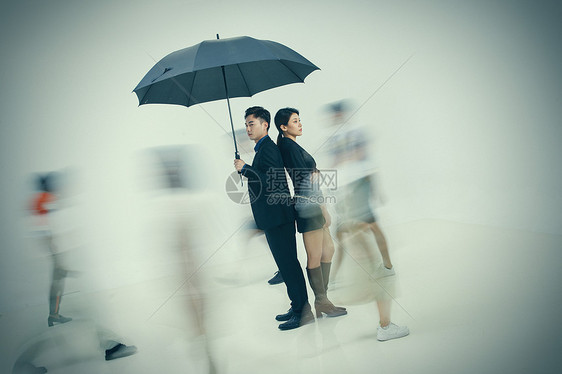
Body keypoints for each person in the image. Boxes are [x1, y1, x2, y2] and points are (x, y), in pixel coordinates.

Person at [234, 106, 314, 330]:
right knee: (285, 264)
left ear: (265, 125)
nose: (248, 128)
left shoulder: (268, 148)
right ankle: (297, 305)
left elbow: (273, 181)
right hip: (273, 218)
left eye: (252, 123)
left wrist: (246, 169)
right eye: (246, 124)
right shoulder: (263, 149)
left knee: (289, 265)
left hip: (278, 218)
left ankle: (303, 311)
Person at [274, 107, 347, 318]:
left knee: (329, 249)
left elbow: (311, 176)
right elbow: (308, 181)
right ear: (283, 127)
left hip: (311, 203)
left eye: (299, 120)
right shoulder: (289, 147)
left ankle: (323, 299)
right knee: (315, 255)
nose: (300, 123)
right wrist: (323, 208)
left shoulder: (292, 145)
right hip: (308, 205)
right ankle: (322, 301)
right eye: (295, 121)